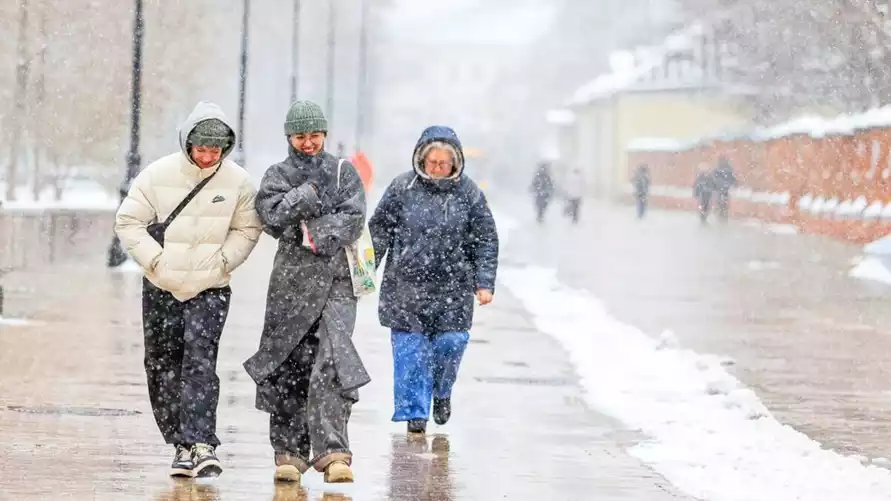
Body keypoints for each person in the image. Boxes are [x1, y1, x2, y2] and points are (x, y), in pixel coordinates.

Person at [115, 101, 262, 478]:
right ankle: (179, 443)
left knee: (200, 361)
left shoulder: (238, 182)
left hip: (210, 287)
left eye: (217, 150)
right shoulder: (156, 175)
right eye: (202, 149)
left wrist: (223, 263)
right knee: (162, 364)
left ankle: (201, 442)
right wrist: (156, 262)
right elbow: (129, 221)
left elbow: (247, 229)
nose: (209, 156)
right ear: (187, 144)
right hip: (161, 285)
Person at [244, 100, 370, 485]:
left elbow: (354, 217)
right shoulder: (276, 174)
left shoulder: (344, 172)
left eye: (315, 135)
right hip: (291, 283)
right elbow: (270, 215)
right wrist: (308, 197)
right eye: (301, 136)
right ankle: (290, 452)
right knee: (290, 360)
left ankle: (334, 452)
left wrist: (310, 232)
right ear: (289, 137)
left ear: (325, 135)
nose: (309, 142)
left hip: (337, 282)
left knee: (332, 359)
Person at [369, 125, 499, 435]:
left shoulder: (468, 193)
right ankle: (416, 414)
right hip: (405, 286)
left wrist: (484, 282)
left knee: (450, 344)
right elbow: (378, 231)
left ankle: (441, 392)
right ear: (421, 159)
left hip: (452, 287)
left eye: (444, 164)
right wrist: (363, 272)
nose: (438, 169)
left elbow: (485, 239)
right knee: (410, 351)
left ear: (455, 163)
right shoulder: (403, 188)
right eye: (432, 163)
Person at [712, 157, 737, 221]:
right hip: (724, 189)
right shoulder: (728, 169)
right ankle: (723, 214)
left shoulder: (717, 169)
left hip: (721, 189)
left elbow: (713, 179)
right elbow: (733, 178)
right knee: (723, 202)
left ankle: (720, 213)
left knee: (721, 202)